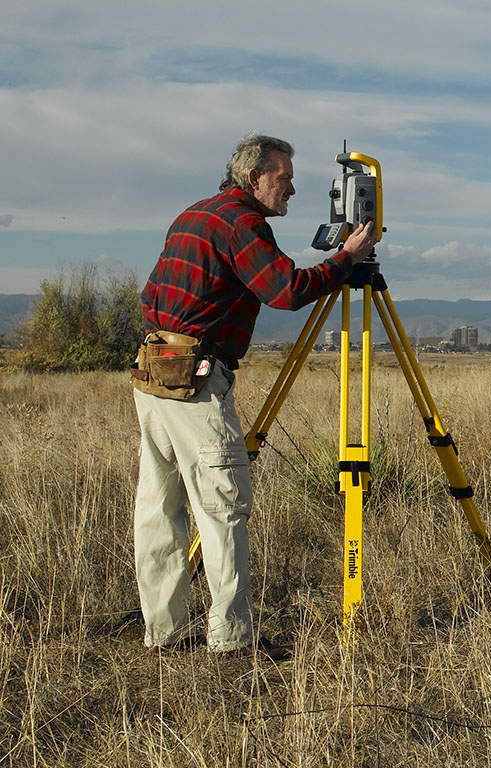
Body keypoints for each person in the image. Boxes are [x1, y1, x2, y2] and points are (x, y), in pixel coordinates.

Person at [133, 134, 376, 659]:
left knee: (159, 509)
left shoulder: (194, 214)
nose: (291, 187)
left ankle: (164, 634)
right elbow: (285, 289)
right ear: (253, 179)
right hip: (196, 378)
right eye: (283, 178)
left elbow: (150, 293)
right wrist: (346, 259)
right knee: (221, 509)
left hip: (154, 371)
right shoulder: (242, 222)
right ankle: (231, 641)